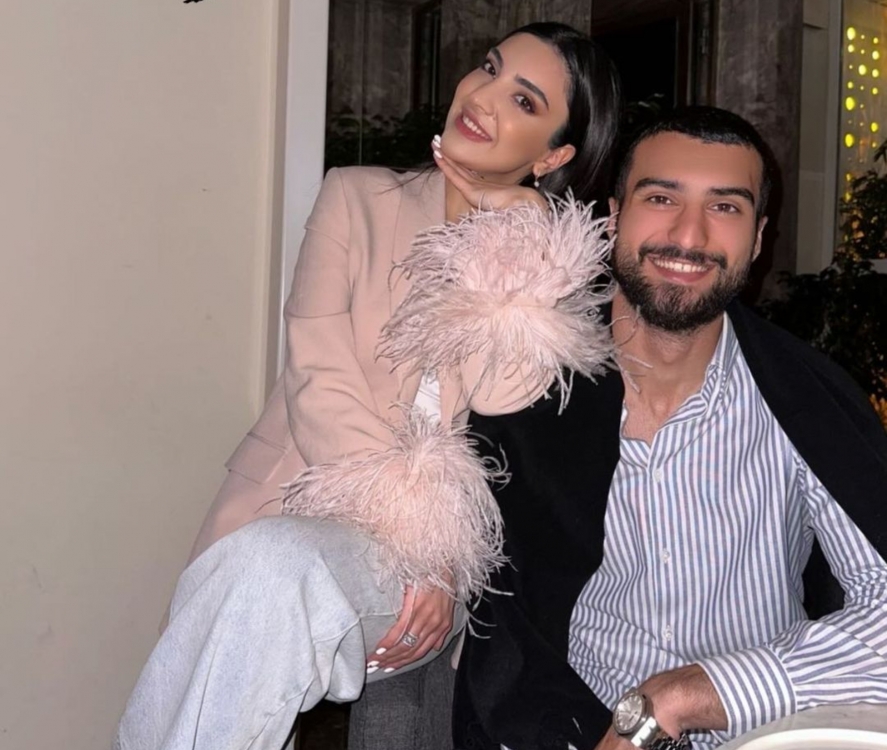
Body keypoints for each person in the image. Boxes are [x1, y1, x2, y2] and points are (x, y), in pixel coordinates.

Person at [114, 22, 622, 750]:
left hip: (436, 574)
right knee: (263, 571)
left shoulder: (550, 267)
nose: (483, 96)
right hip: (303, 502)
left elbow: (503, 397)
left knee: (271, 573)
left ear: (553, 155)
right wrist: (419, 542)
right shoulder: (354, 196)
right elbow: (317, 381)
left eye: (523, 100)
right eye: (488, 68)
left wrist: (518, 236)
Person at [453, 106, 887, 750]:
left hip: (762, 735)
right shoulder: (522, 390)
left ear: (758, 239)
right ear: (612, 216)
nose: (689, 234)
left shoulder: (805, 400)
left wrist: (685, 696)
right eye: (660, 198)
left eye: (726, 207)